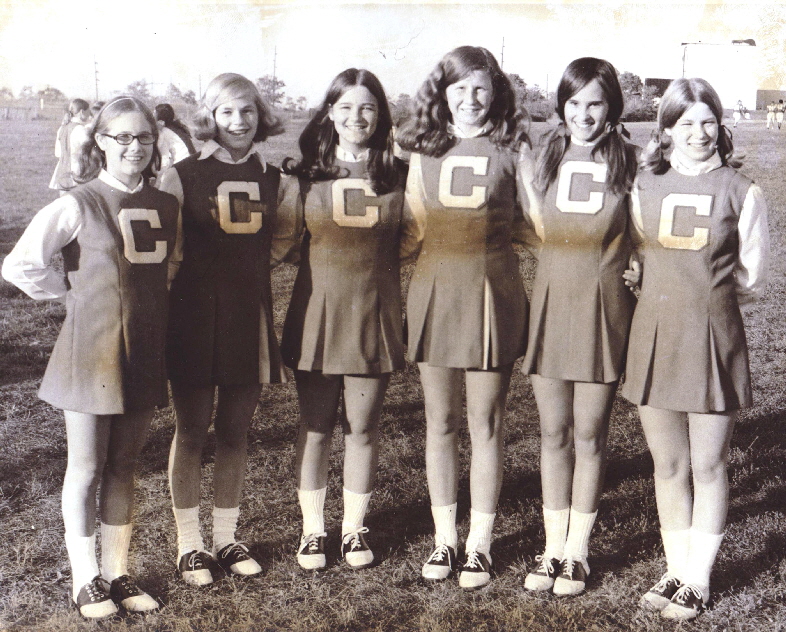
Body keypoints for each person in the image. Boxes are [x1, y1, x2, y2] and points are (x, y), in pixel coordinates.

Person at [2, 96, 179, 619]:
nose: (134, 147)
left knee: (125, 465)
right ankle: (86, 579)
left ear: (155, 143)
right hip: (90, 352)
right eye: (121, 137)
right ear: (100, 141)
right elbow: (20, 265)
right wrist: (70, 291)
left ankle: (118, 572)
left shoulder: (166, 205)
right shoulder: (77, 202)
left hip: (144, 350)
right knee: (85, 467)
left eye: (143, 138)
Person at [622, 78, 769, 621]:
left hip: (712, 335)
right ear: (666, 130)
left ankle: (698, 579)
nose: (699, 133)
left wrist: (708, 303)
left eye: (708, 121)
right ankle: (676, 566)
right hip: (655, 334)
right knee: (668, 464)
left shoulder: (742, 191)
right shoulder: (643, 186)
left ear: (720, 125)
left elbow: (751, 276)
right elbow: (639, 253)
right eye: (686, 123)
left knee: (708, 464)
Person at [396, 45, 535, 590]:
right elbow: (412, 227)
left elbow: (536, 225)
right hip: (435, 292)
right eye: (459, 89)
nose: (470, 100)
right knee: (441, 422)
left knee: (487, 422)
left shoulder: (513, 147)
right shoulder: (422, 151)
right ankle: (443, 538)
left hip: (491, 291)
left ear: (495, 92)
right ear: (443, 93)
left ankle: (479, 542)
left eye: (481, 88)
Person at [279, 68, 411, 571]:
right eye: (347, 107)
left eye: (368, 108)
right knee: (314, 427)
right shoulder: (305, 174)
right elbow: (285, 243)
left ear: (380, 116)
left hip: (373, 314)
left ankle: (354, 529)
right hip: (317, 314)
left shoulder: (399, 174)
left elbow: (413, 237)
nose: (357, 117)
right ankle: (314, 531)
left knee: (363, 427)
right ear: (329, 113)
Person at [519, 57, 640, 597]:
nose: (584, 114)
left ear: (611, 107)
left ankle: (578, 552)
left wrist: (641, 266)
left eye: (595, 103)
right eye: (574, 103)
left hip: (604, 307)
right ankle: (550, 547)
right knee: (552, 433)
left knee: (589, 434)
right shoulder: (543, 155)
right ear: (561, 106)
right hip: (551, 304)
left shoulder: (634, 161)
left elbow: (649, 231)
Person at [160, 73, 286, 586]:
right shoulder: (181, 174)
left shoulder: (275, 177)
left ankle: (227, 538)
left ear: (261, 116)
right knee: (191, 430)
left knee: (235, 431)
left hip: (247, 315)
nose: (238, 122)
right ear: (210, 116)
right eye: (227, 112)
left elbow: (281, 245)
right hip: (193, 315)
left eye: (248, 111)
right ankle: (189, 545)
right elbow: (168, 255)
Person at [49, 98, 91, 194]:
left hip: (61, 173)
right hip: (78, 172)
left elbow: (58, 153)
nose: (90, 115)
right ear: (82, 112)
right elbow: (91, 152)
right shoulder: (81, 130)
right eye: (88, 112)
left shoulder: (62, 128)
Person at [154, 103, 196, 173]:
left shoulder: (164, 132)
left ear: (159, 118)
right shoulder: (176, 128)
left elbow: (164, 159)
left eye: (154, 113)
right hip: (193, 163)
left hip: (184, 167)